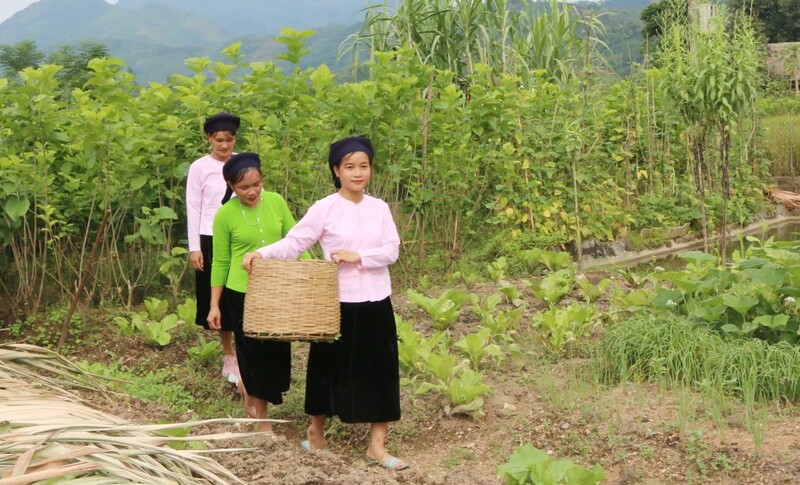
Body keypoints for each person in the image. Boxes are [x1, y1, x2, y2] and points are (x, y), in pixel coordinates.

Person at [242, 136, 407, 470]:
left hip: (377, 301)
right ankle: (316, 434)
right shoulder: (325, 208)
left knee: (381, 370)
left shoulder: (380, 208)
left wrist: (358, 256)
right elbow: (295, 241)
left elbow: (392, 250)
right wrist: (261, 254)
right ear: (337, 170)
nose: (358, 173)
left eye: (364, 166)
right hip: (337, 303)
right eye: (350, 167)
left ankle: (377, 445)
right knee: (328, 370)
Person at [207, 152, 302, 431]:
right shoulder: (225, 215)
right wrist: (215, 304)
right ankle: (264, 422)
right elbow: (221, 261)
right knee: (253, 353)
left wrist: (314, 271)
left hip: (277, 288)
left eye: (257, 184)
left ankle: (247, 386)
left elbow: (296, 240)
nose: (252, 192)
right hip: (242, 294)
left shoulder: (276, 202)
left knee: (276, 353)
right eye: (244, 187)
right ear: (231, 187)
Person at [186, 111, 241, 385]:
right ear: (209, 138)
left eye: (229, 140)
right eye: (219, 139)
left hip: (238, 239)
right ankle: (229, 355)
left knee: (240, 295)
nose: (224, 145)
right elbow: (193, 206)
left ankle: (246, 352)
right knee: (216, 299)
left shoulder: (242, 164)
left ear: (235, 139)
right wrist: (194, 247)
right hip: (209, 238)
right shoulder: (199, 167)